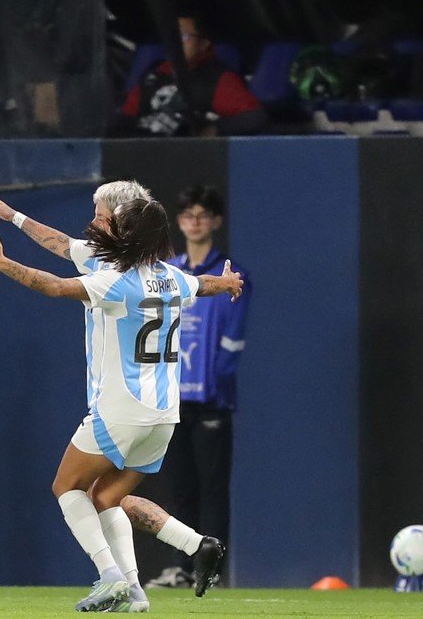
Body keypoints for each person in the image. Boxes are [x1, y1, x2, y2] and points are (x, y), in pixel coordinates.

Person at [0, 196, 242, 613]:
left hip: (121, 408)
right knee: (107, 497)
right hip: (165, 415)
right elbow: (206, 285)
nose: (100, 224)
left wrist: (4, 265)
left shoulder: (116, 281)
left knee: (65, 486)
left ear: (126, 234)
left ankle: (109, 576)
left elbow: (54, 286)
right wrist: (230, 284)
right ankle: (138, 591)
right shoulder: (173, 278)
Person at [143, 184, 250, 591]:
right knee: (180, 488)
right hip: (173, 399)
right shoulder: (170, 270)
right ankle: (180, 567)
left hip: (212, 401)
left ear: (216, 221)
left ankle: (214, 570)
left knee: (212, 487)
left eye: (203, 214)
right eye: (188, 214)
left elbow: (233, 337)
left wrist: (216, 378)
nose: (195, 221)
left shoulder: (230, 271)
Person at [116, 13, 267, 137]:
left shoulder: (218, 79)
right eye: (171, 36)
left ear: (203, 43)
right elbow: (124, 118)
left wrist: (214, 130)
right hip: (141, 158)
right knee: (108, 174)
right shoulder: (155, 74)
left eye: (183, 37)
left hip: (186, 162)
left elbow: (254, 118)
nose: (174, 43)